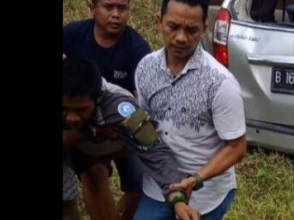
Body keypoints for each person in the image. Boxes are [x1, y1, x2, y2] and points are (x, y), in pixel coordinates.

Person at [133, 0, 247, 220]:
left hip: (205, 195)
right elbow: (145, 125)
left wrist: (197, 179)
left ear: (204, 29)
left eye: (191, 29)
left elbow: (236, 147)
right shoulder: (145, 67)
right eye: (173, 26)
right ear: (159, 20)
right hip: (157, 187)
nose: (181, 37)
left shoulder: (220, 82)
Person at [63, 58, 200, 220]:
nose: (72, 117)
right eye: (64, 109)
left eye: (81, 110)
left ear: (99, 96)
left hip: (119, 143)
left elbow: (155, 153)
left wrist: (177, 200)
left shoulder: (123, 110)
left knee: (136, 185)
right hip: (79, 142)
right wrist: (94, 131)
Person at [63, 0, 151, 220]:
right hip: (83, 124)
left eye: (122, 9)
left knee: (139, 187)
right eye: (108, 7)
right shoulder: (73, 33)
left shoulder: (138, 49)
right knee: (94, 173)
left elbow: (144, 102)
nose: (116, 15)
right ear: (91, 8)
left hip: (124, 125)